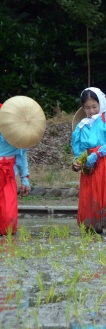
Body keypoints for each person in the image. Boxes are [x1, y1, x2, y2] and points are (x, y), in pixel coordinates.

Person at [71, 88, 106, 233]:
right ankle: (92, 230)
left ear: (100, 103)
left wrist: (96, 155)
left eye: (94, 106)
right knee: (91, 200)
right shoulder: (81, 126)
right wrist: (77, 162)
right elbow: (79, 151)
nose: (91, 111)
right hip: (90, 168)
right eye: (87, 108)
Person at [0, 96, 44, 236]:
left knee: (8, 214)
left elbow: (21, 155)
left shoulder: (19, 128)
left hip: (8, 173)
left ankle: (7, 247)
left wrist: (25, 179)